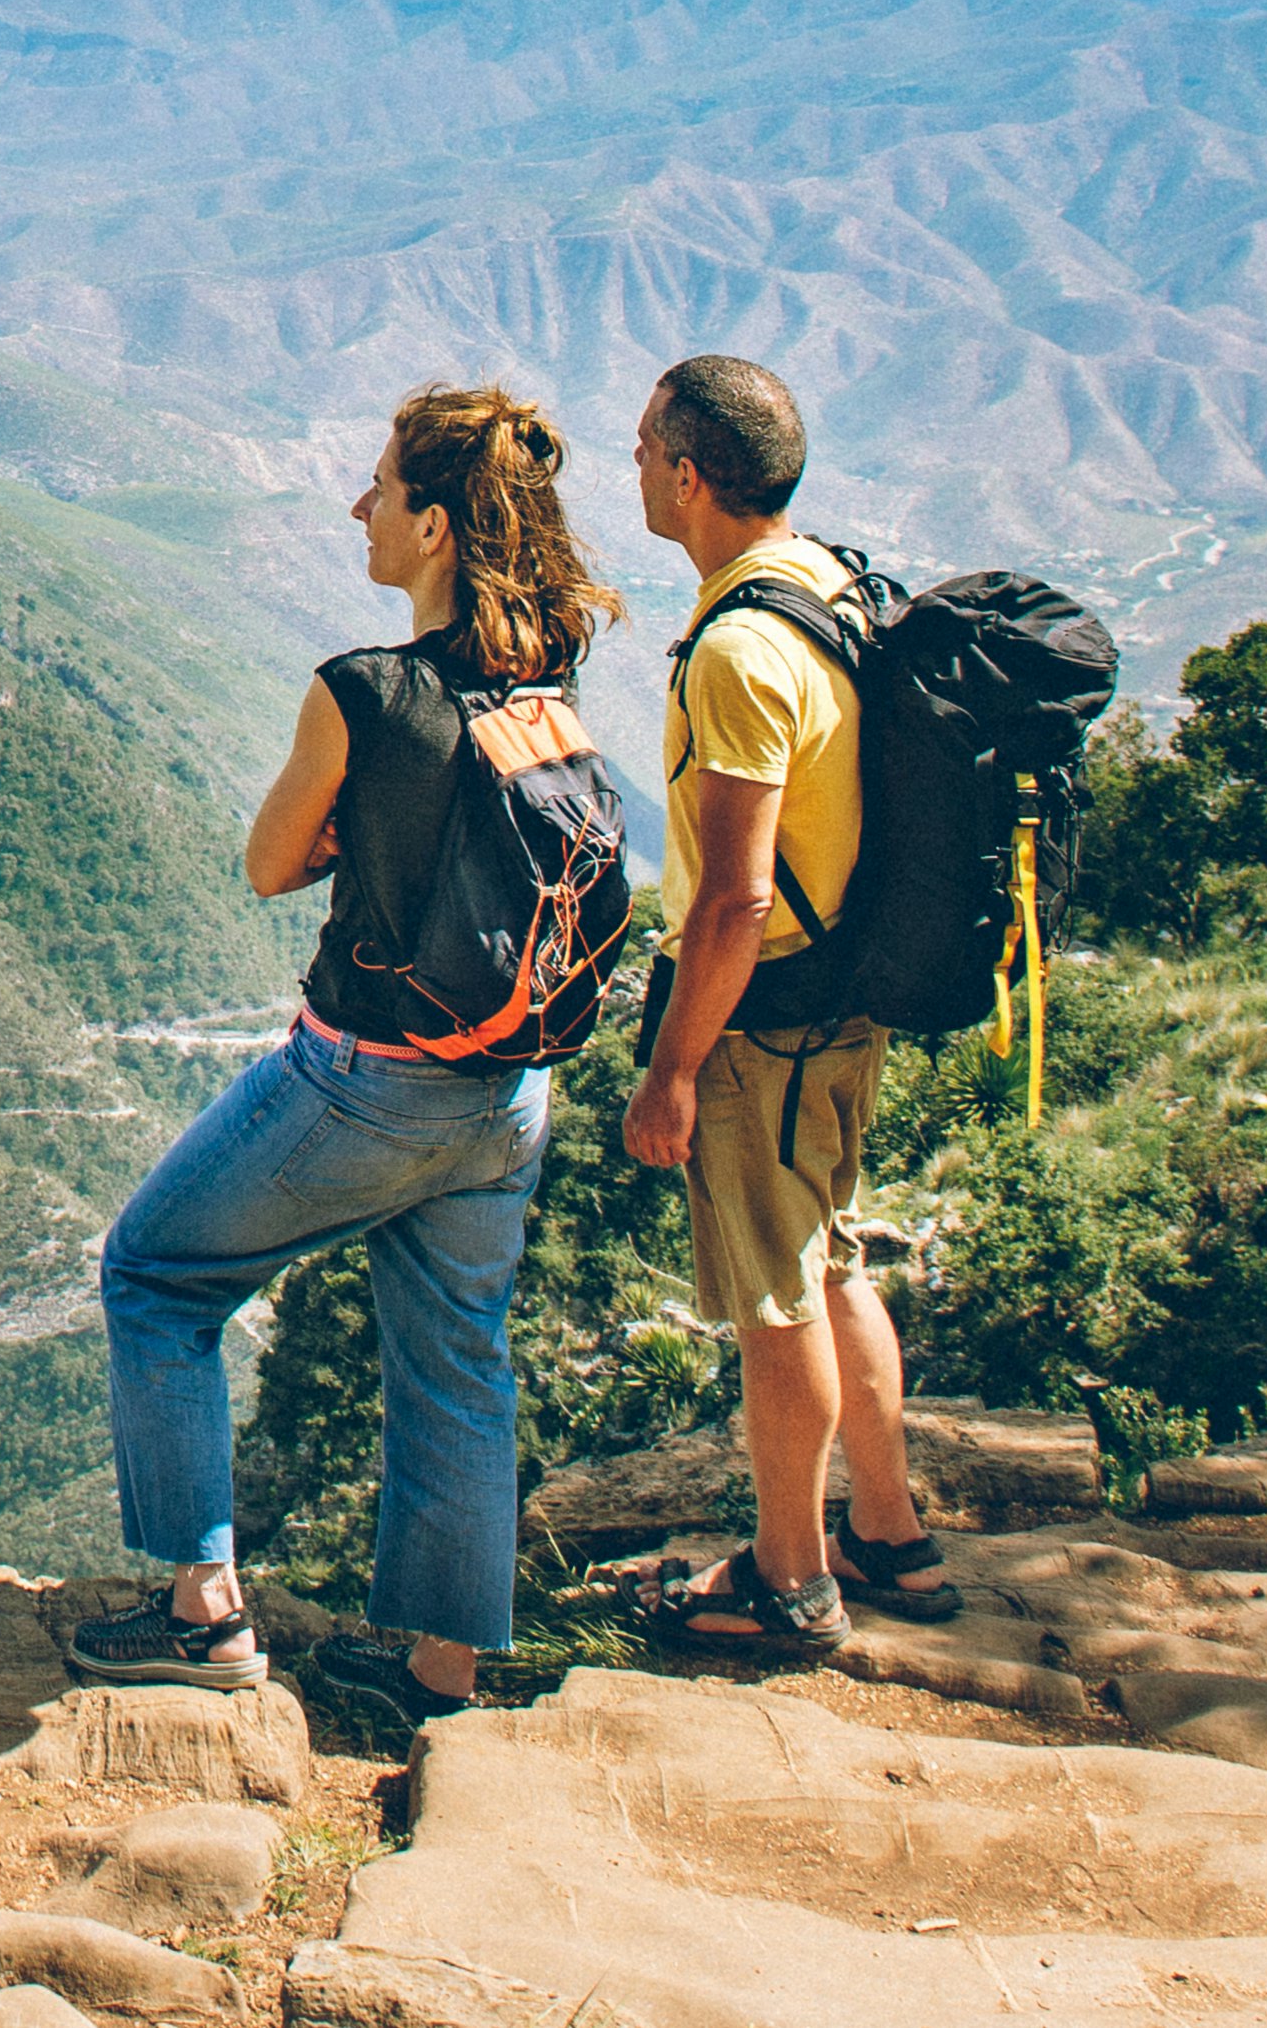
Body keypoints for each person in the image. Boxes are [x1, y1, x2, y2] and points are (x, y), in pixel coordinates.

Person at [69, 384, 625, 1725]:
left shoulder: (361, 692)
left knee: (153, 1273)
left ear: (431, 527)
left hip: (364, 1082)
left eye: (380, 487)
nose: (359, 506)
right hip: (507, 1093)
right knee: (455, 1357)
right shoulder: (541, 682)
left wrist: (338, 830)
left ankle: (202, 1618)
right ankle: (436, 1673)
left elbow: (269, 860)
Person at [612, 352, 955, 1658]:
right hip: (846, 1005)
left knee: (774, 1298)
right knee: (832, 1258)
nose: (634, 464)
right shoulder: (829, 585)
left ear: (690, 474)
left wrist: (673, 1069)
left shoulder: (739, 651)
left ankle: (787, 1577)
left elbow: (731, 903)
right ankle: (888, 1532)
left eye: (646, 446)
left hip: (762, 1020)